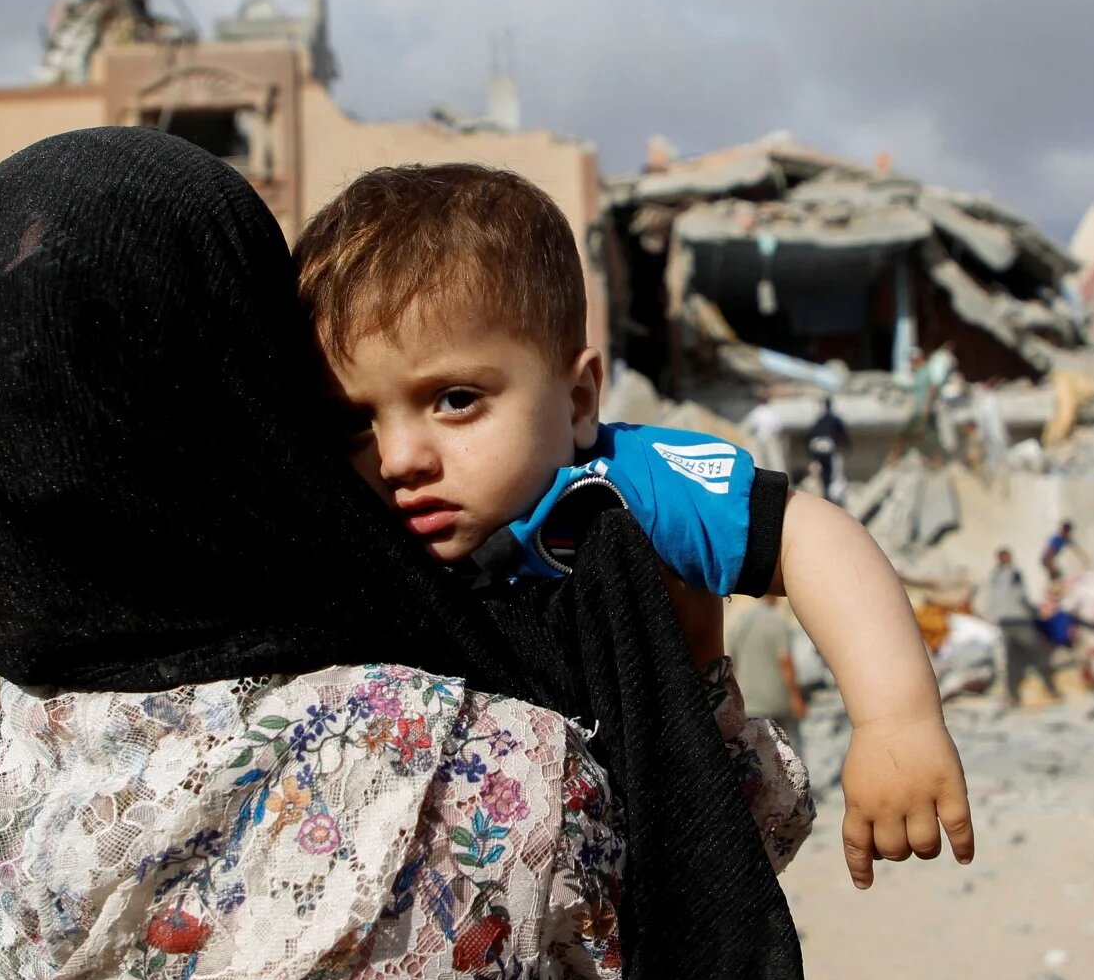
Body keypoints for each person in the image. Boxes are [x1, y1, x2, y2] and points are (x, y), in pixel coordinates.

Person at [0, 128, 817, 980]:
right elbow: (706, 861)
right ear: (239, 387)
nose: (398, 455)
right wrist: (685, 662)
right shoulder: (462, 762)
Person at [297, 163, 969, 889]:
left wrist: (895, 718)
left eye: (456, 399)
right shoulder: (353, 523)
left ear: (580, 397)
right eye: (353, 421)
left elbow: (811, 535)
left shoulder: (623, 487)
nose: (399, 459)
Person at [727, 595, 807, 759]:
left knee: (761, 758)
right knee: (791, 754)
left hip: (748, 701)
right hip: (777, 702)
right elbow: (785, 661)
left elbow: (731, 661)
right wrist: (796, 697)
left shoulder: (739, 621)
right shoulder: (776, 620)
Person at [983, 548, 1058, 706]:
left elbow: (991, 600)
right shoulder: (1014, 573)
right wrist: (1034, 611)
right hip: (1018, 619)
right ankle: (1051, 689)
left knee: (1011, 659)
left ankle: (1012, 696)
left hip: (1002, 621)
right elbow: (1020, 596)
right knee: (1038, 653)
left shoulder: (994, 576)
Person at [805, 396, 851, 505]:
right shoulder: (833, 419)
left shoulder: (818, 421)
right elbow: (842, 434)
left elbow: (809, 436)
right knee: (831, 474)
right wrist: (847, 447)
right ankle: (829, 498)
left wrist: (810, 453)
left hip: (817, 450)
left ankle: (826, 496)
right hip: (827, 449)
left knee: (825, 475)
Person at [742, 391, 788, 475]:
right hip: (765, 437)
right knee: (769, 461)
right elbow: (779, 426)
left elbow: (748, 426)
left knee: (772, 461)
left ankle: (775, 479)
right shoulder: (767, 412)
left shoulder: (760, 412)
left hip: (767, 437)